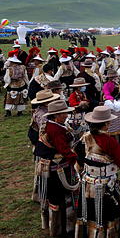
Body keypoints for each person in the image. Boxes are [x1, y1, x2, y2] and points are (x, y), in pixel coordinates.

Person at [76, 106, 120, 237]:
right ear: (105, 124)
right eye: (109, 122)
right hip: (105, 186)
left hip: (88, 183)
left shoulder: (85, 137)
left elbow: (78, 158)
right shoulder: (109, 141)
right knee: (107, 213)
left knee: (89, 211)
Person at [33, 100, 79, 236]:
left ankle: (56, 226)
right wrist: (75, 159)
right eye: (64, 113)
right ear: (56, 115)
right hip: (57, 170)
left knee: (55, 198)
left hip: (51, 166)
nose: (66, 115)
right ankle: (62, 228)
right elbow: (64, 149)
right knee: (60, 199)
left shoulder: (52, 125)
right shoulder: (56, 130)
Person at [4, 50, 29, 116]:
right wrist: (27, 83)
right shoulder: (23, 67)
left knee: (10, 98)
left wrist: (7, 84)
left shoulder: (9, 69)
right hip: (22, 84)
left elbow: (6, 79)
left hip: (12, 85)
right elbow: (25, 76)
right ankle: (20, 112)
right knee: (21, 98)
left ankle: (8, 111)